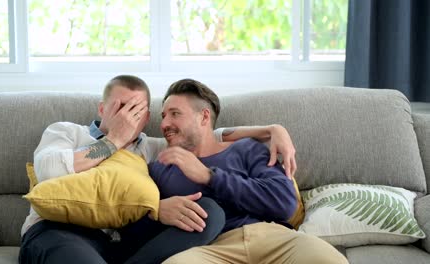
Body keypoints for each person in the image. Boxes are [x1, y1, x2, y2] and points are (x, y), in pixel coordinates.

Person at [19, 75, 298, 264]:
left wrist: (273, 129)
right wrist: (115, 140)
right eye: (122, 108)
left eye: (137, 111)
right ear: (102, 109)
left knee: (208, 211)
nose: (129, 118)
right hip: (62, 232)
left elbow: (208, 135)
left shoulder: (152, 148)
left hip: (123, 243)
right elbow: (50, 172)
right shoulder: (67, 132)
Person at [149, 78, 349, 264]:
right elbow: (131, 212)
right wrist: (157, 209)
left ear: (204, 117)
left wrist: (210, 177)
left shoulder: (246, 148)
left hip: (273, 240)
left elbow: (284, 202)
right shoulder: (161, 167)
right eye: (163, 116)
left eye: (175, 114)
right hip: (211, 249)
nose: (164, 124)